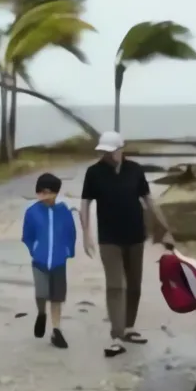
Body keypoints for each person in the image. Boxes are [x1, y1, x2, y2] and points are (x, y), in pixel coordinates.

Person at [79, 130, 175, 357]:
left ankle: (129, 328)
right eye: (103, 151)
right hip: (109, 239)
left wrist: (165, 229)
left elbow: (149, 201)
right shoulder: (94, 173)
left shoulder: (135, 171)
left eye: (109, 150)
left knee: (134, 286)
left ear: (120, 149)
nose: (105, 154)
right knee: (115, 286)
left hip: (135, 236)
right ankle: (116, 336)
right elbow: (85, 204)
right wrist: (86, 234)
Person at [20, 172, 76, 350]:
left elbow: (71, 233)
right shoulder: (32, 212)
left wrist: (68, 251)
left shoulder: (64, 212)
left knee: (57, 297)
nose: (43, 195)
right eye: (40, 192)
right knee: (41, 293)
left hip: (59, 261)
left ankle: (56, 330)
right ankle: (41, 313)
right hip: (40, 261)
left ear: (55, 192)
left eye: (47, 192)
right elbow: (27, 236)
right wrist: (34, 249)